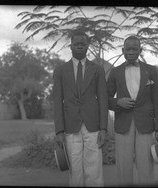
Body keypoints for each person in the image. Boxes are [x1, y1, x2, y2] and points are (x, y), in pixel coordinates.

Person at [107, 36, 158, 186]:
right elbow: (105, 98)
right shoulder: (115, 72)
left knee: (146, 165)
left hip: (145, 124)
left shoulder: (151, 71)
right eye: (128, 49)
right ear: (122, 51)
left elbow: (157, 100)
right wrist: (117, 102)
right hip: (123, 123)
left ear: (140, 50)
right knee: (123, 166)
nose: (131, 52)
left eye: (134, 49)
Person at [53, 30, 108, 187]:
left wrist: (103, 129)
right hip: (70, 127)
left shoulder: (98, 70)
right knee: (75, 171)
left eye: (82, 44)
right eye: (76, 44)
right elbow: (57, 101)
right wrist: (59, 130)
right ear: (70, 46)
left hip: (93, 126)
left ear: (87, 45)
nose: (79, 47)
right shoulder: (60, 71)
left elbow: (103, 100)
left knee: (94, 170)